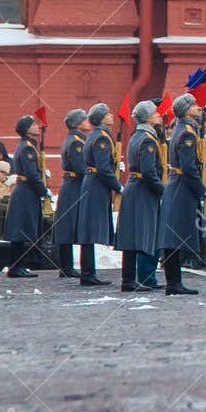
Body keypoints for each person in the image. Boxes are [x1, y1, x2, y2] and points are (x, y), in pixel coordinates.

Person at [157, 94, 204, 295]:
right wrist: (201, 189)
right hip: (182, 186)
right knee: (175, 235)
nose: (198, 107)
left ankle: (174, 281)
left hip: (176, 184)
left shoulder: (181, 129)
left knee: (173, 234)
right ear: (186, 110)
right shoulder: (187, 133)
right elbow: (189, 166)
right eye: (193, 105)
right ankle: (174, 283)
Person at [116, 101, 165, 292]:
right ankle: (129, 280)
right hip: (142, 190)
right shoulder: (148, 139)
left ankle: (131, 279)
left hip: (135, 187)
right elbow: (149, 172)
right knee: (139, 234)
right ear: (148, 117)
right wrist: (162, 191)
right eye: (155, 113)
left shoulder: (137, 135)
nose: (159, 115)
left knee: (132, 235)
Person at [54, 108, 104, 285]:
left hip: (74, 185)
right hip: (75, 186)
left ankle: (67, 267)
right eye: (84, 119)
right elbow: (81, 168)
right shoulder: (76, 142)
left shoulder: (78, 139)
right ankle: (67, 268)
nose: (87, 121)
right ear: (77, 124)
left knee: (69, 225)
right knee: (70, 225)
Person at [79, 102, 122, 282]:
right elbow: (103, 168)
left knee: (88, 230)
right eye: (108, 113)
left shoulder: (96, 135)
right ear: (102, 118)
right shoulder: (102, 138)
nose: (112, 115)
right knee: (89, 231)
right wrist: (118, 186)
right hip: (96, 184)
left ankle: (88, 272)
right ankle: (88, 274)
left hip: (93, 183)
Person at [1, 115, 48, 279]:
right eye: (34, 124)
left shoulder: (27, 145)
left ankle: (17, 266)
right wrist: (44, 190)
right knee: (20, 231)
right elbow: (31, 174)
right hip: (26, 191)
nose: (37, 126)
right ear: (27, 130)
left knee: (20, 231)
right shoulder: (28, 148)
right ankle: (16, 267)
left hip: (25, 190)